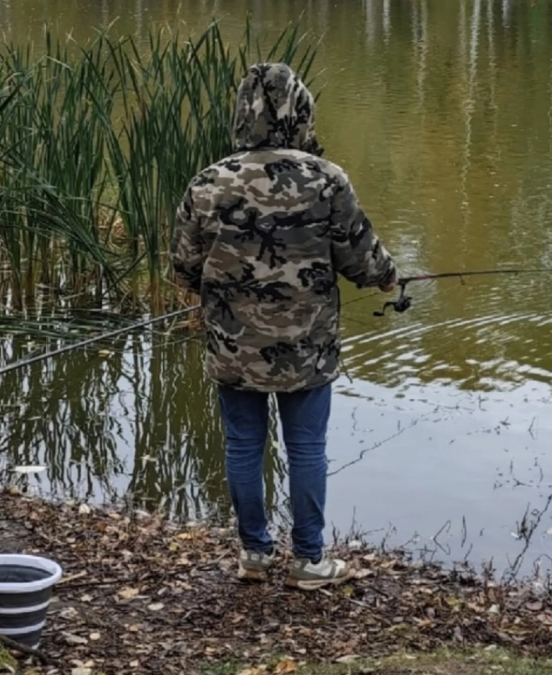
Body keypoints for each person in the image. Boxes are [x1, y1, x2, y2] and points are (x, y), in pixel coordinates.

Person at [171, 63, 398, 590]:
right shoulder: (325, 178)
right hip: (307, 346)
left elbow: (183, 266)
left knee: (243, 445)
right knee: (306, 449)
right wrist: (388, 278)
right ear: (300, 108)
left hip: (234, 347)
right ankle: (310, 561)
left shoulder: (209, 182)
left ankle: (254, 553)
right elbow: (362, 258)